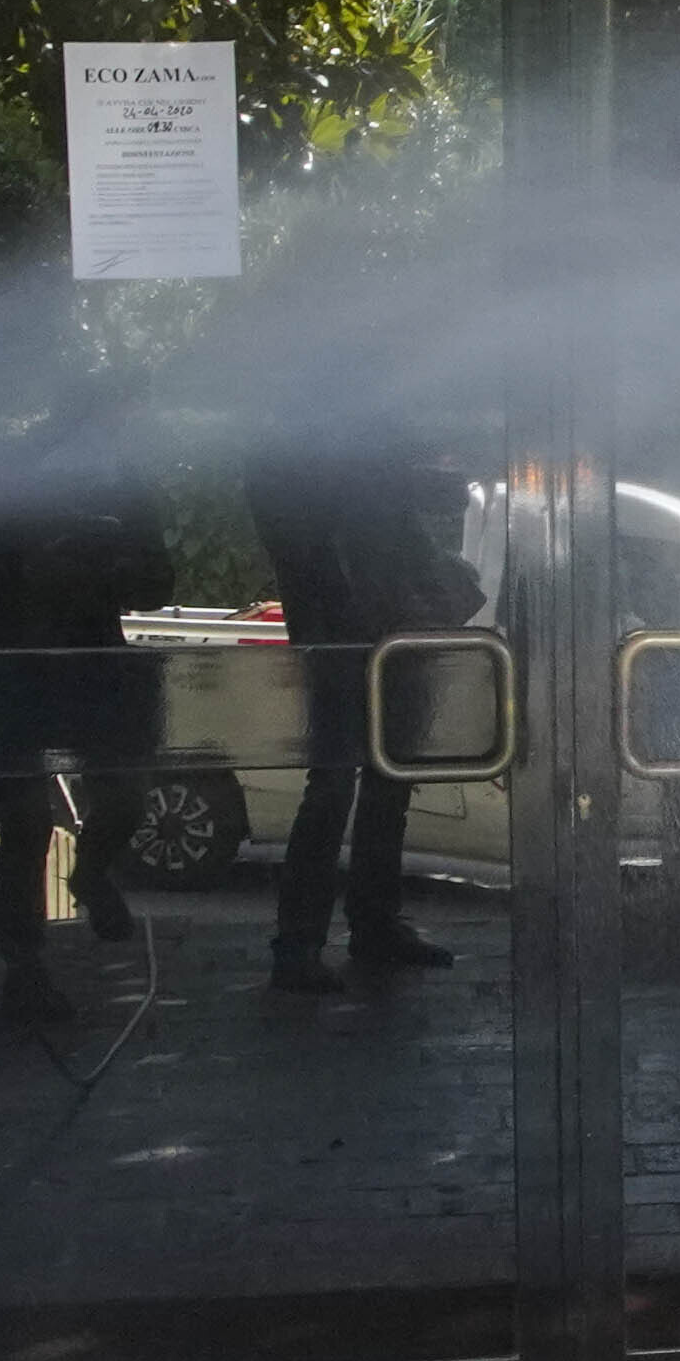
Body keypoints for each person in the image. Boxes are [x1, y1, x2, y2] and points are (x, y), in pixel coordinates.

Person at [253, 425, 474, 991]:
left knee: (386, 779)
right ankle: (303, 942)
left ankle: (364, 925)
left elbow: (423, 510)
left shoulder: (356, 458)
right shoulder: (299, 461)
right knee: (334, 786)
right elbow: (309, 547)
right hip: (340, 637)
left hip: (377, 630)